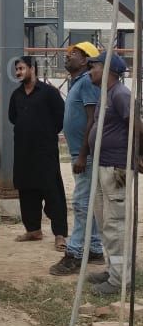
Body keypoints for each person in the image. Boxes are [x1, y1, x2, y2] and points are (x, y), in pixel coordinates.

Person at [86, 50, 143, 297]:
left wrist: (139, 155)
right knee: (104, 221)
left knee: (115, 223)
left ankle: (121, 279)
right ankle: (113, 269)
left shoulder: (120, 94)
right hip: (103, 165)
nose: (91, 70)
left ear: (109, 70)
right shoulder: (105, 94)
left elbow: (137, 125)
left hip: (116, 167)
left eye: (95, 66)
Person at [49, 42, 104, 276]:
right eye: (69, 53)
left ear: (86, 61)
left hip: (86, 154)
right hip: (80, 152)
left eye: (74, 54)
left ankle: (74, 254)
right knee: (87, 202)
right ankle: (93, 248)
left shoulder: (88, 83)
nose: (68, 57)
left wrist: (83, 153)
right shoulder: (78, 84)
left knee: (81, 203)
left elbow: (93, 119)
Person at [9, 55, 67, 249]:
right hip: (23, 152)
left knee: (53, 192)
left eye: (21, 68)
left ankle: (60, 234)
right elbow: (13, 117)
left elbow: (61, 117)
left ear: (33, 69)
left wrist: (46, 133)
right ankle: (33, 230)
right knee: (26, 191)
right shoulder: (16, 95)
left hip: (45, 152)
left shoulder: (49, 93)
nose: (18, 72)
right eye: (16, 69)